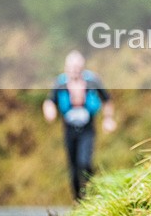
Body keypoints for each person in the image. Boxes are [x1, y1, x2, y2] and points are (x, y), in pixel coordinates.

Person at [42, 50, 116, 201]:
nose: (74, 71)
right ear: (66, 68)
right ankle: (78, 200)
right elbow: (49, 101)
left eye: (77, 67)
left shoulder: (92, 81)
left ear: (82, 68)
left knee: (85, 162)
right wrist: (49, 111)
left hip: (87, 128)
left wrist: (108, 119)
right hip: (69, 129)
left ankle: (91, 195)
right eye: (71, 68)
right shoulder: (60, 83)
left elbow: (107, 100)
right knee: (73, 167)